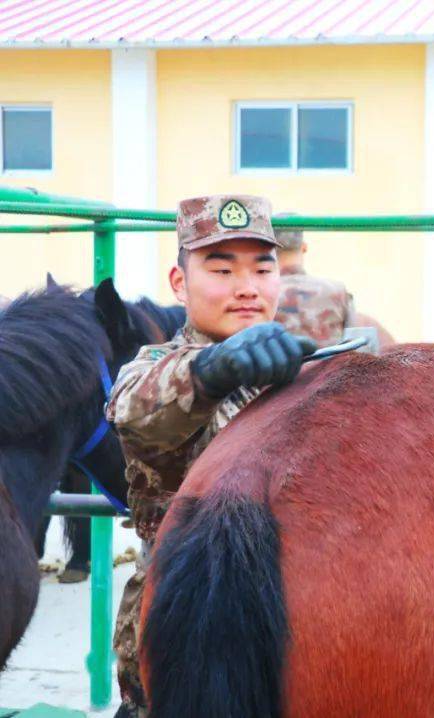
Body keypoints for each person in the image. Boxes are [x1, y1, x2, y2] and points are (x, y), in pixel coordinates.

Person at [105, 194, 316, 717]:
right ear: (180, 284)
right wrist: (213, 370)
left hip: (297, 628)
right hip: (183, 643)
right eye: (221, 269)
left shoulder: (302, 374)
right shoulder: (155, 367)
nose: (246, 287)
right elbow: (135, 409)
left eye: (262, 269)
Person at [273, 215, 394, 349]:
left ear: (271, 250)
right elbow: (353, 343)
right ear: (304, 248)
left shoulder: (263, 294)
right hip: (330, 368)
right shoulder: (337, 291)